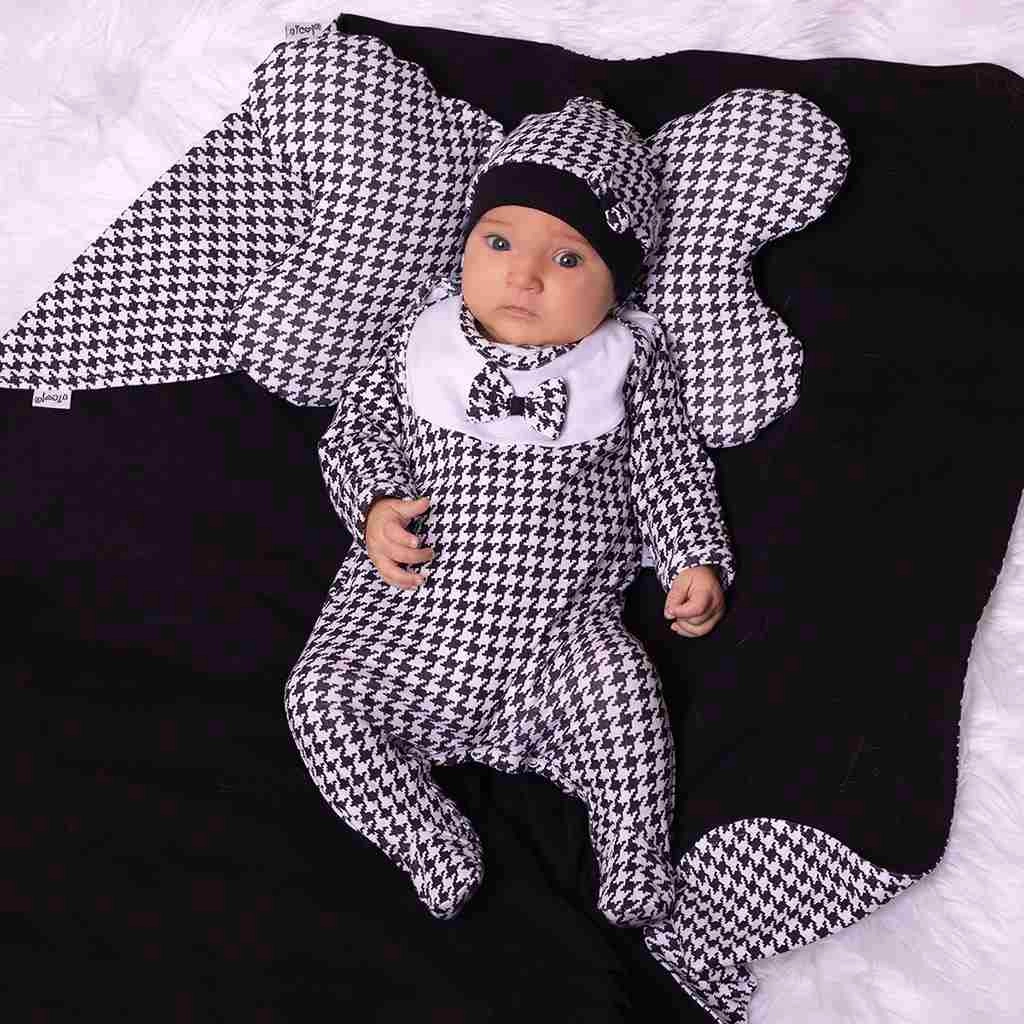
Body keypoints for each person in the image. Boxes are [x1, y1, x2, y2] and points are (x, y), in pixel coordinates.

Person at [283, 95, 734, 928]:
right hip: (410, 616)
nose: (523, 278)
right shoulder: (421, 338)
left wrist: (692, 558)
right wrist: (375, 506)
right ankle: (427, 838)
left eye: (567, 259)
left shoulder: (626, 360)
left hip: (560, 633)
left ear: (616, 281)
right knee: (317, 699)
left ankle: (634, 857)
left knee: (627, 698)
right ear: (464, 245)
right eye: (498, 244)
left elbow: (669, 467)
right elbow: (358, 433)